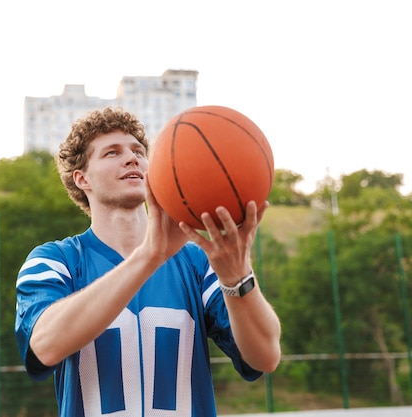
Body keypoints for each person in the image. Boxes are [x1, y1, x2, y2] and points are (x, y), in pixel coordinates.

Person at [15, 106, 281, 416]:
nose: (132, 158)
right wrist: (149, 256)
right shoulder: (54, 260)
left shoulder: (198, 261)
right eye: (112, 153)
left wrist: (238, 277)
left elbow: (265, 357)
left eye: (139, 151)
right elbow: (45, 345)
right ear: (81, 178)